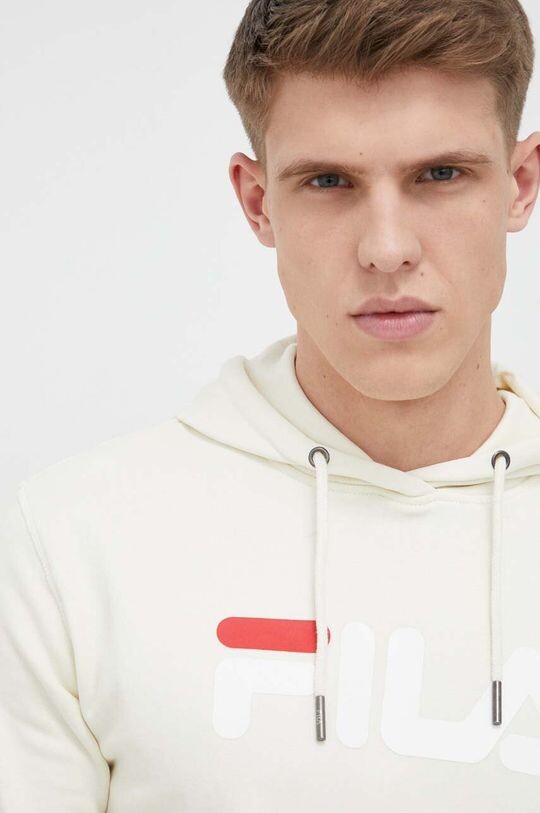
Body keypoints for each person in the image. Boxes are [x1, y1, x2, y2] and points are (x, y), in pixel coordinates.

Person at [1, 0, 540, 809]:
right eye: (328, 182)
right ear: (257, 202)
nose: (387, 248)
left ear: (520, 185)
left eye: (439, 175)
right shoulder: (70, 545)